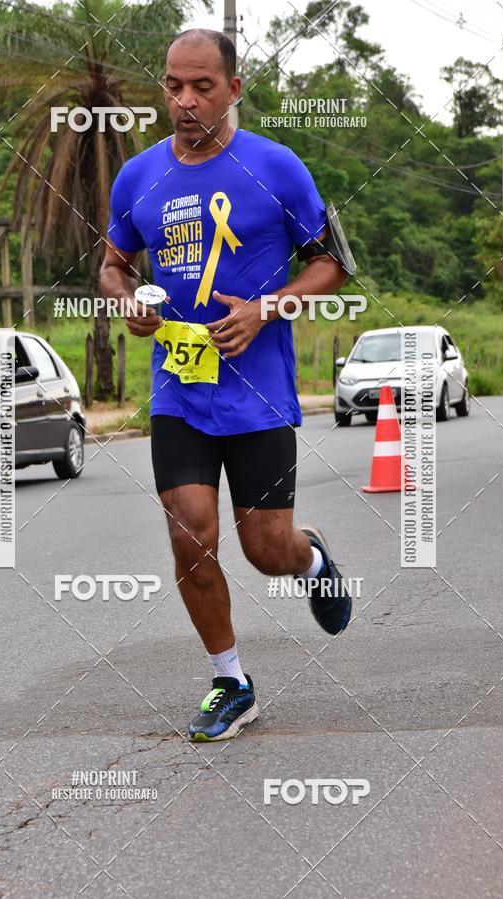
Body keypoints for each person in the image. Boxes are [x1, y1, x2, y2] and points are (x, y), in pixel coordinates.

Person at [100, 28, 352, 742]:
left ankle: (311, 559)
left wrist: (267, 307)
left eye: (202, 86)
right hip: (179, 389)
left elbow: (332, 263)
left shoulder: (277, 168)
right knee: (189, 535)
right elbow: (112, 263)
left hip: (260, 388)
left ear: (233, 89)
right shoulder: (139, 177)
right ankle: (230, 679)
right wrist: (126, 299)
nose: (184, 100)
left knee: (264, 546)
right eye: (174, 85)